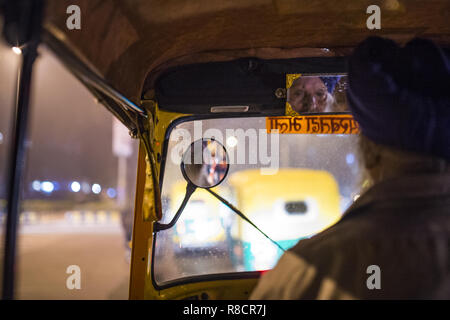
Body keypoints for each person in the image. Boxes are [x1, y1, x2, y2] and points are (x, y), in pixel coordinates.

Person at [250, 36, 450, 299]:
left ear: (370, 152)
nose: (312, 104)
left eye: (320, 94)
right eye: (300, 95)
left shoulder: (309, 273)